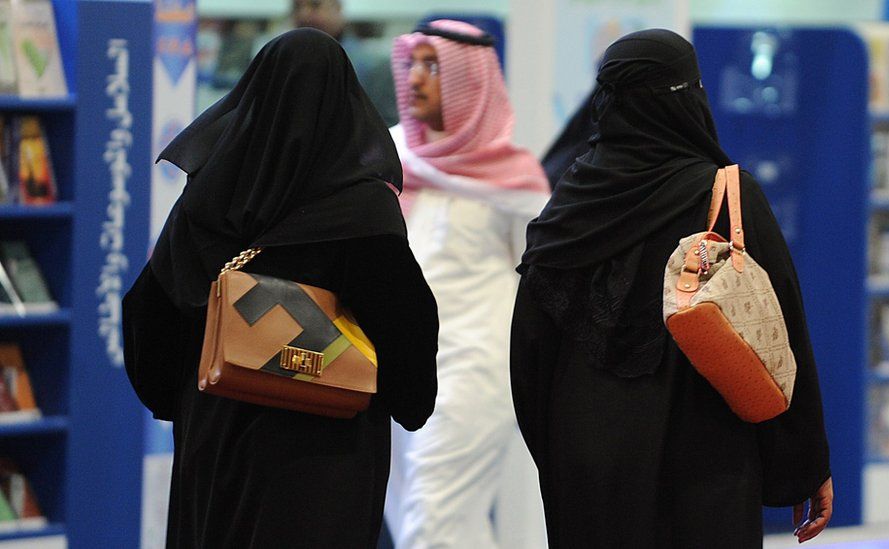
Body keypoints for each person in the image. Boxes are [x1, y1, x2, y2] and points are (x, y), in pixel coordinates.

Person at [512, 29, 833, 548]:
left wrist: (562, 456)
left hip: (589, 468)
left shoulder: (569, 207)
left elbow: (528, 349)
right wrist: (802, 464)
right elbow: (780, 337)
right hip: (708, 467)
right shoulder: (728, 196)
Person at [122, 29, 438, 548]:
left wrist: (185, 400)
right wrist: (407, 402)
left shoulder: (208, 194)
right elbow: (407, 331)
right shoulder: (360, 213)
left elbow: (150, 309)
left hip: (215, 434)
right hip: (322, 447)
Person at [383, 19, 551, 549]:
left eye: (433, 66)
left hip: (473, 370)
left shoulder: (514, 180)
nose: (415, 78)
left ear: (469, 80)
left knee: (433, 524)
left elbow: (541, 284)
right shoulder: (387, 158)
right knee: (441, 523)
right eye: (413, 62)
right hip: (389, 367)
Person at [292, 0, 399, 125]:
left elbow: (384, 127)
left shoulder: (373, 66)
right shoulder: (284, 64)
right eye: (297, 7)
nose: (304, 14)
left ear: (337, 8)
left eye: (315, 5)